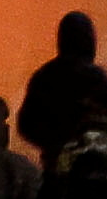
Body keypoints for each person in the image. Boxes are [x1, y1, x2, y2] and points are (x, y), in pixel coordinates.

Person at [18, 12, 107, 169]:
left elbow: (26, 124)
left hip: (57, 161)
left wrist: (55, 144)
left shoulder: (44, 75)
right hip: (95, 160)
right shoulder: (96, 77)